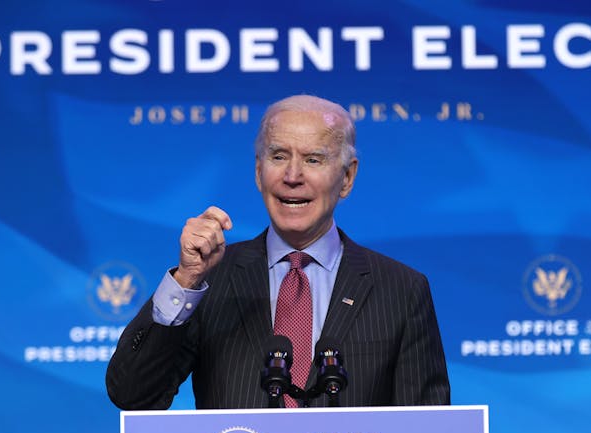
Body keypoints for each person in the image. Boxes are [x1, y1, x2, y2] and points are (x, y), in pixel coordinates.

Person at [106, 95, 450, 409]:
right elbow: (134, 395)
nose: (292, 176)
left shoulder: (401, 290)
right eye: (279, 156)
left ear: (347, 177)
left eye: (313, 159)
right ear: (259, 172)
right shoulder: (210, 281)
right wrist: (187, 281)